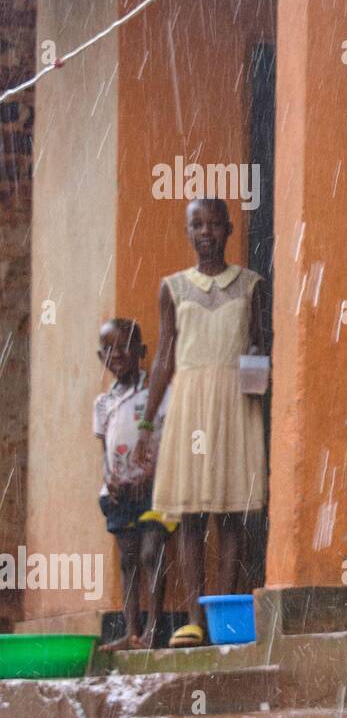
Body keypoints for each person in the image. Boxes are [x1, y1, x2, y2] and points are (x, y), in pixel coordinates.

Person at [133, 197, 270, 648]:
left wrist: (257, 392)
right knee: (191, 516)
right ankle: (192, 619)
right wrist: (146, 426)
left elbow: (260, 345)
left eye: (213, 224)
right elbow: (165, 358)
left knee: (230, 515)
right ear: (188, 232)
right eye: (197, 225)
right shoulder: (172, 288)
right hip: (190, 403)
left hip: (235, 403)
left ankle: (225, 616)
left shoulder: (252, 285)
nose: (205, 232)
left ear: (229, 230)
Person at [94, 319, 171, 651]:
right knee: (128, 560)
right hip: (119, 494)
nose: (117, 354)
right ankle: (132, 631)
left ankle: (154, 627)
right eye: (108, 348)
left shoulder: (155, 394)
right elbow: (104, 450)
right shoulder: (103, 403)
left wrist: (150, 474)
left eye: (124, 346)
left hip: (152, 489)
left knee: (152, 553)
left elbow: (166, 439)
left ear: (141, 352)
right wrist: (108, 477)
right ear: (101, 356)